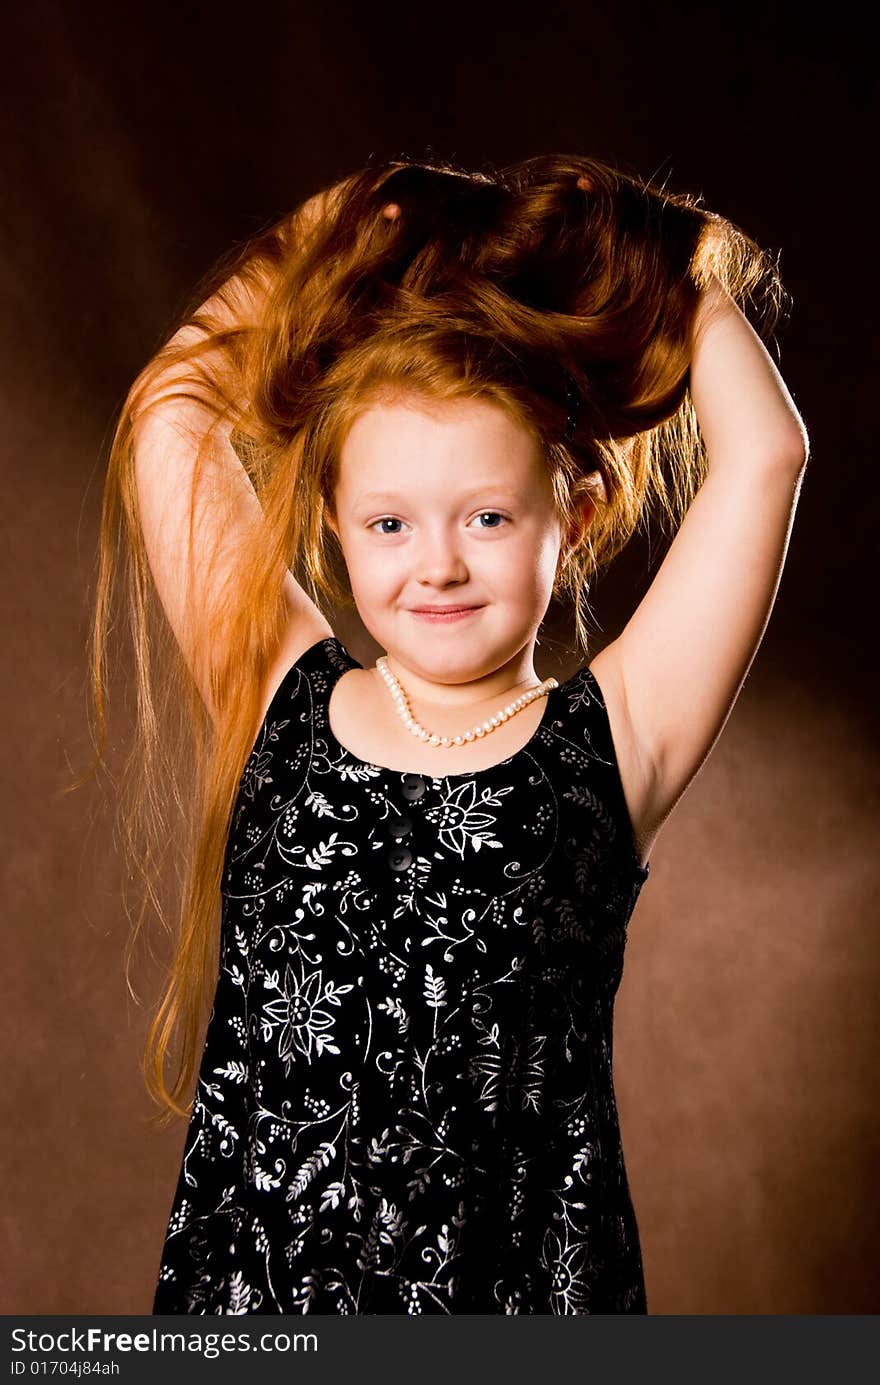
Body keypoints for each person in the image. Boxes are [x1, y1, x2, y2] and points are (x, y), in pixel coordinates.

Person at [82, 153, 808, 1313]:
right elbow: (175, 409)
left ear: (570, 518)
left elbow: (764, 457)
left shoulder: (612, 738)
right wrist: (343, 224)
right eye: (388, 520)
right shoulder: (277, 695)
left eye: (484, 514)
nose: (436, 562)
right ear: (332, 522)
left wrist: (649, 252)